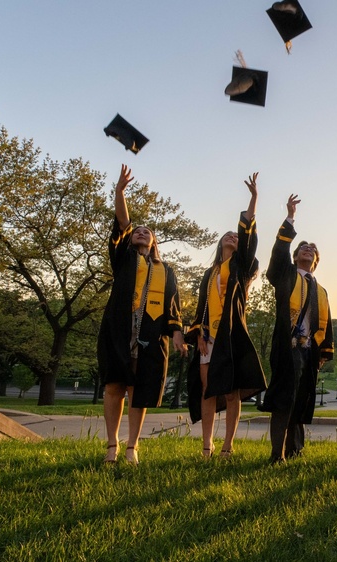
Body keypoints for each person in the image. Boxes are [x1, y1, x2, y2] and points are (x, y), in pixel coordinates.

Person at [95, 165, 187, 465]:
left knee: (140, 389)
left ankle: (133, 445)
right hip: (119, 327)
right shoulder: (123, 258)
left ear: (154, 242)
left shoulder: (166, 270)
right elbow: (122, 222)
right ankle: (112, 445)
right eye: (137, 231)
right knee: (114, 386)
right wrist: (120, 192)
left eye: (147, 232)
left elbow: (174, 305)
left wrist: (177, 335)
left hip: (150, 333)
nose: (141, 232)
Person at [187, 173, 265, 458]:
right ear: (220, 243)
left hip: (231, 336)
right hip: (209, 336)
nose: (233, 236)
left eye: (236, 235)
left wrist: (253, 199)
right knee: (208, 390)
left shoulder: (243, 267)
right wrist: (197, 334)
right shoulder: (209, 274)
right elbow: (200, 308)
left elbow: (247, 236)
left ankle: (228, 446)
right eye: (228, 235)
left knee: (232, 392)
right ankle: (206, 446)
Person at [260, 193, 334, 463]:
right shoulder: (285, 275)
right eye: (303, 248)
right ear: (295, 257)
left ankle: (295, 451)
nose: (308, 250)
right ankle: (276, 454)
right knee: (283, 399)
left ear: (316, 261)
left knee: (300, 400)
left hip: (309, 351)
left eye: (312, 250)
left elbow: (327, 324)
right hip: (287, 345)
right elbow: (279, 253)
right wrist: (290, 218)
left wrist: (324, 352)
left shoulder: (321, 290)